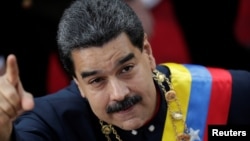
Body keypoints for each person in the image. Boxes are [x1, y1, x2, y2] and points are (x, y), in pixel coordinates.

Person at [0, 0, 250, 141]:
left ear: (148, 54)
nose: (119, 93)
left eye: (126, 68)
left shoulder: (228, 92)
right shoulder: (52, 121)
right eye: (97, 80)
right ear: (77, 83)